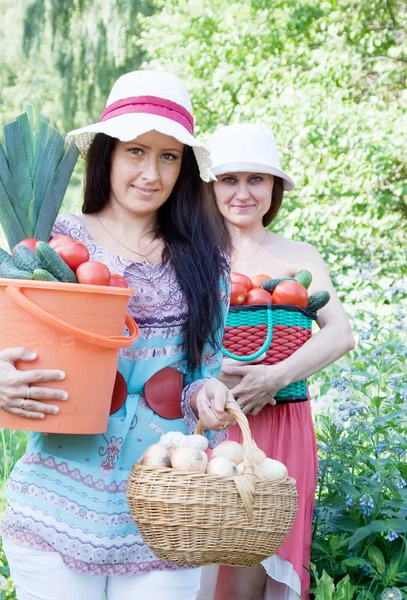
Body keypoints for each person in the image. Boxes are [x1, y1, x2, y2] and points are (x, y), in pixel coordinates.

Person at [0, 70, 237, 600]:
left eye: (169, 157)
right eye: (136, 151)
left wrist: (208, 397)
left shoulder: (204, 260)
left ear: (185, 169)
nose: (151, 173)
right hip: (58, 506)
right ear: (107, 154)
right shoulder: (58, 244)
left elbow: (201, 376)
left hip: (163, 513)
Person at [197, 123, 355, 600]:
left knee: (272, 564)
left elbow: (341, 334)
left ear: (274, 189)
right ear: (211, 187)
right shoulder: (194, 255)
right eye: (229, 180)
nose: (242, 193)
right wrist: (212, 374)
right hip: (217, 422)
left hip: (284, 421)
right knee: (220, 564)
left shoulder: (297, 256)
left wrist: (274, 378)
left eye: (256, 180)